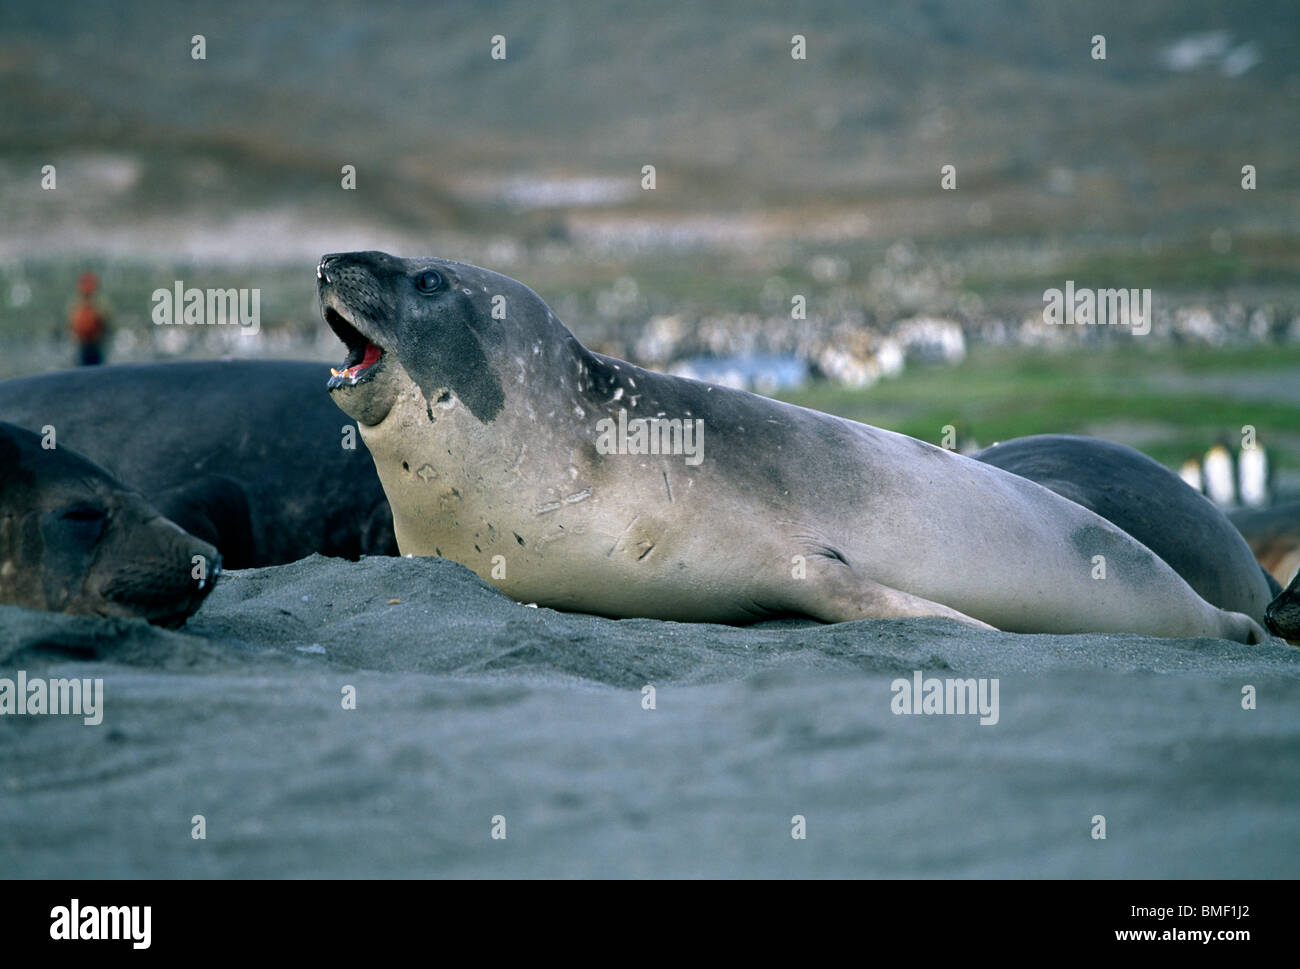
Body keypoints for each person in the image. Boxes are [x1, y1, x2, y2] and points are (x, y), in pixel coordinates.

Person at [69, 271, 109, 366]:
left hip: (94, 348)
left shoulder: (99, 307)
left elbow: (104, 327)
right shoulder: (77, 308)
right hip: (85, 348)